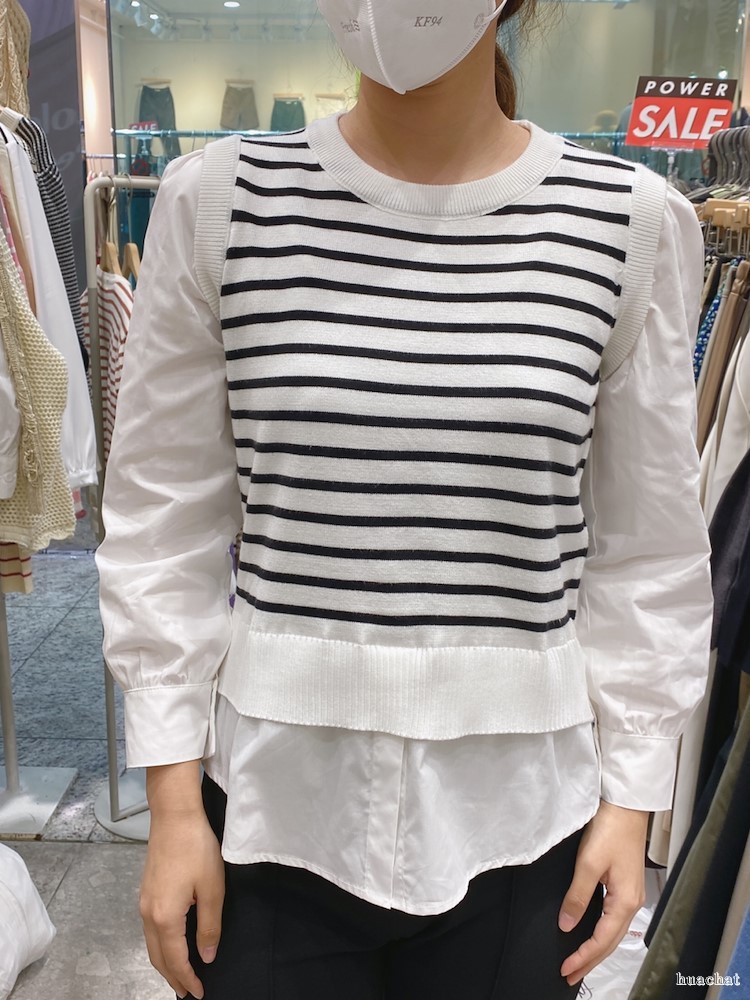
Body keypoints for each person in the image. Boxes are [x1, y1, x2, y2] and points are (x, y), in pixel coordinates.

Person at [96, 1, 713, 997]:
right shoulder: (219, 202)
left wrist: (633, 795)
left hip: (528, 824)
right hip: (270, 815)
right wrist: (171, 804)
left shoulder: (629, 223)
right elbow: (163, 521)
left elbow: (650, 550)